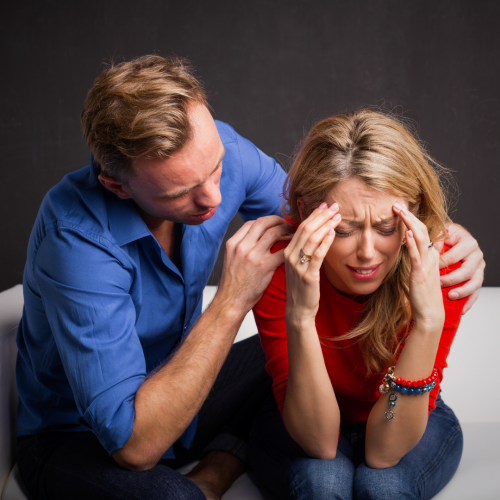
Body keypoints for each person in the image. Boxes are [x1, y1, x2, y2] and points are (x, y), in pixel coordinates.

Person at [15, 55, 483, 500]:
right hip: (87, 433)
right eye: (183, 193)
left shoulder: (218, 150)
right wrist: (232, 300)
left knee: (288, 347)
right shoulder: (75, 241)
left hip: (191, 389)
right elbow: (135, 447)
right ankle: (225, 462)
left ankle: (223, 458)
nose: (215, 196)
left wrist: (441, 232)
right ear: (117, 185)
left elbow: (322, 209)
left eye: (216, 167)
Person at [249, 109, 475, 500]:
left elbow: (384, 452)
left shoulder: (442, 264)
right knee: (323, 482)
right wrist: (301, 317)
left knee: (383, 485)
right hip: (303, 414)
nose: (367, 253)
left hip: (410, 412)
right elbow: (319, 442)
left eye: (387, 228)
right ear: (304, 211)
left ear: (414, 211)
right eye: (344, 230)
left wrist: (427, 322)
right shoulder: (278, 263)